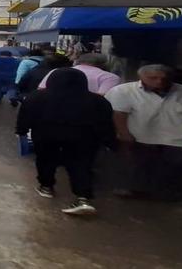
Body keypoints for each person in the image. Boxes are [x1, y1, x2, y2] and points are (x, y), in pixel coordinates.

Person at [16, 68, 116, 215]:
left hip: (46, 135)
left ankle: (46, 186)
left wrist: (21, 131)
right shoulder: (98, 101)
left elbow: (25, 115)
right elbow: (105, 123)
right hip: (84, 138)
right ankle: (83, 198)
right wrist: (109, 141)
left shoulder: (37, 97)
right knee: (81, 165)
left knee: (45, 160)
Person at [106, 64, 182, 200]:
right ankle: (136, 190)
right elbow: (119, 114)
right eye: (153, 78)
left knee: (172, 171)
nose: (159, 82)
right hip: (141, 137)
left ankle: (167, 194)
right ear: (141, 77)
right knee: (138, 167)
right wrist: (124, 134)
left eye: (164, 78)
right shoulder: (123, 91)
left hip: (179, 140)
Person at [38, 53, 122, 95]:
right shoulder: (110, 77)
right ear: (104, 63)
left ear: (78, 61)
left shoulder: (56, 71)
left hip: (53, 114)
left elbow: (40, 91)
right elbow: (104, 97)